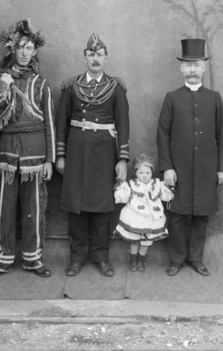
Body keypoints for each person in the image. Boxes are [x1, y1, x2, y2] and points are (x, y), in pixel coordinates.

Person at [0, 18, 55, 280]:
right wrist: (4, 90)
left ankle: (33, 259)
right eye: (20, 47)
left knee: (33, 209)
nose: (24, 52)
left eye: (29, 48)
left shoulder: (42, 85)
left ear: (35, 52)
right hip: (7, 156)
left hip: (35, 159)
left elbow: (49, 124)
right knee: (5, 209)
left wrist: (49, 160)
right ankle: (2, 260)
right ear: (12, 49)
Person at [56, 33, 130, 277]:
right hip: (77, 151)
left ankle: (101, 257)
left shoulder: (116, 88)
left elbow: (123, 124)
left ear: (106, 58)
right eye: (91, 55)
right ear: (84, 57)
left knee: (101, 207)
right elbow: (61, 124)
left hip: (104, 154)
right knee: (76, 206)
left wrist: (122, 159)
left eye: (99, 55)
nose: (95, 59)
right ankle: (76, 257)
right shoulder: (71, 87)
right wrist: (61, 155)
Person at [157, 38, 223, 277]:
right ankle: (176, 259)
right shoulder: (172, 98)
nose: (192, 69)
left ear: (204, 67)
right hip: (179, 168)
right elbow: (163, 134)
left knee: (201, 217)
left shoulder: (214, 98)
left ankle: (196, 258)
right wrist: (167, 167)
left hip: (207, 168)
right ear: (181, 68)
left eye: (197, 64)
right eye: (188, 65)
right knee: (176, 215)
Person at [114, 153, 173, 272]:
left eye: (147, 173)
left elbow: (167, 197)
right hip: (135, 218)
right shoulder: (131, 185)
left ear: (152, 172)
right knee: (135, 240)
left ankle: (141, 260)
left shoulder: (156, 184)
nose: (144, 176)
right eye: (141, 173)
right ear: (135, 173)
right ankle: (133, 261)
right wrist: (120, 185)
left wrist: (169, 187)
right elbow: (122, 198)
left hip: (151, 219)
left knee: (146, 241)